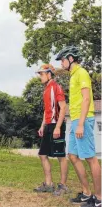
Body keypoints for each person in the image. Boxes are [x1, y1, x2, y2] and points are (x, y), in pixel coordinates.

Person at [55, 46, 101, 207]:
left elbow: (87, 99)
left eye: (62, 59)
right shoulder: (73, 75)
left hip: (84, 120)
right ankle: (87, 193)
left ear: (70, 58)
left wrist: (81, 123)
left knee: (90, 158)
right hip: (75, 121)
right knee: (73, 156)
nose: (61, 63)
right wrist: (74, 121)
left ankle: (99, 199)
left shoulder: (81, 73)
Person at [34, 64, 69, 196]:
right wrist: (42, 125)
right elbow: (46, 110)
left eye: (42, 74)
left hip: (56, 125)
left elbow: (63, 107)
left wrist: (58, 127)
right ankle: (49, 185)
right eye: (40, 74)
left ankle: (63, 186)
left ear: (49, 74)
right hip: (48, 125)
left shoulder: (56, 87)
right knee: (42, 154)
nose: (40, 77)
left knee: (60, 156)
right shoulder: (46, 89)